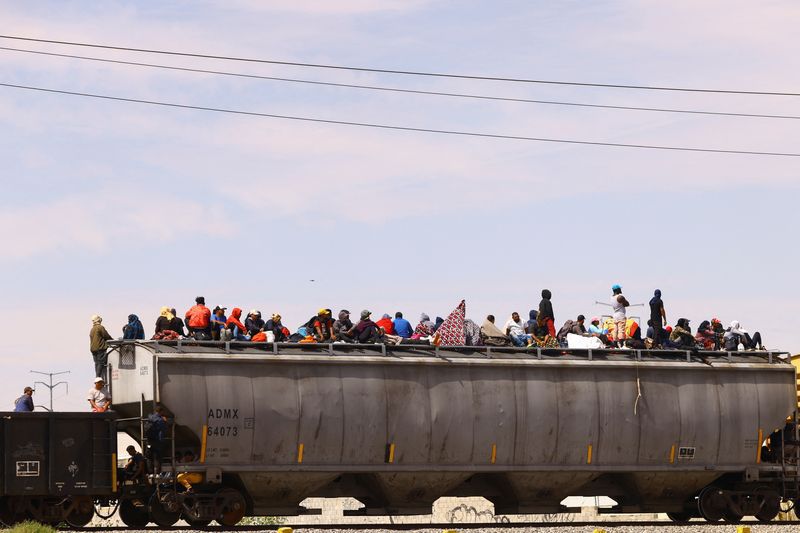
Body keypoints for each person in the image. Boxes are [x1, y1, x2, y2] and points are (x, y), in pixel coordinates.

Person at [89, 315, 113, 380]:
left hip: (93, 349)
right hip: (100, 348)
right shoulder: (100, 327)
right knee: (101, 362)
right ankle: (98, 378)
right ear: (98, 320)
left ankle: (97, 377)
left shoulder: (92, 329)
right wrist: (112, 341)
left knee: (96, 363)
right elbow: (106, 336)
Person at [145, 406, 168, 473]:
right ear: (161, 412)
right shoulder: (160, 420)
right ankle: (157, 473)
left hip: (149, 441)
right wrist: (165, 421)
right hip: (157, 441)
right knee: (157, 457)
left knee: (149, 457)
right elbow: (164, 429)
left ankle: (150, 473)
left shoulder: (150, 416)